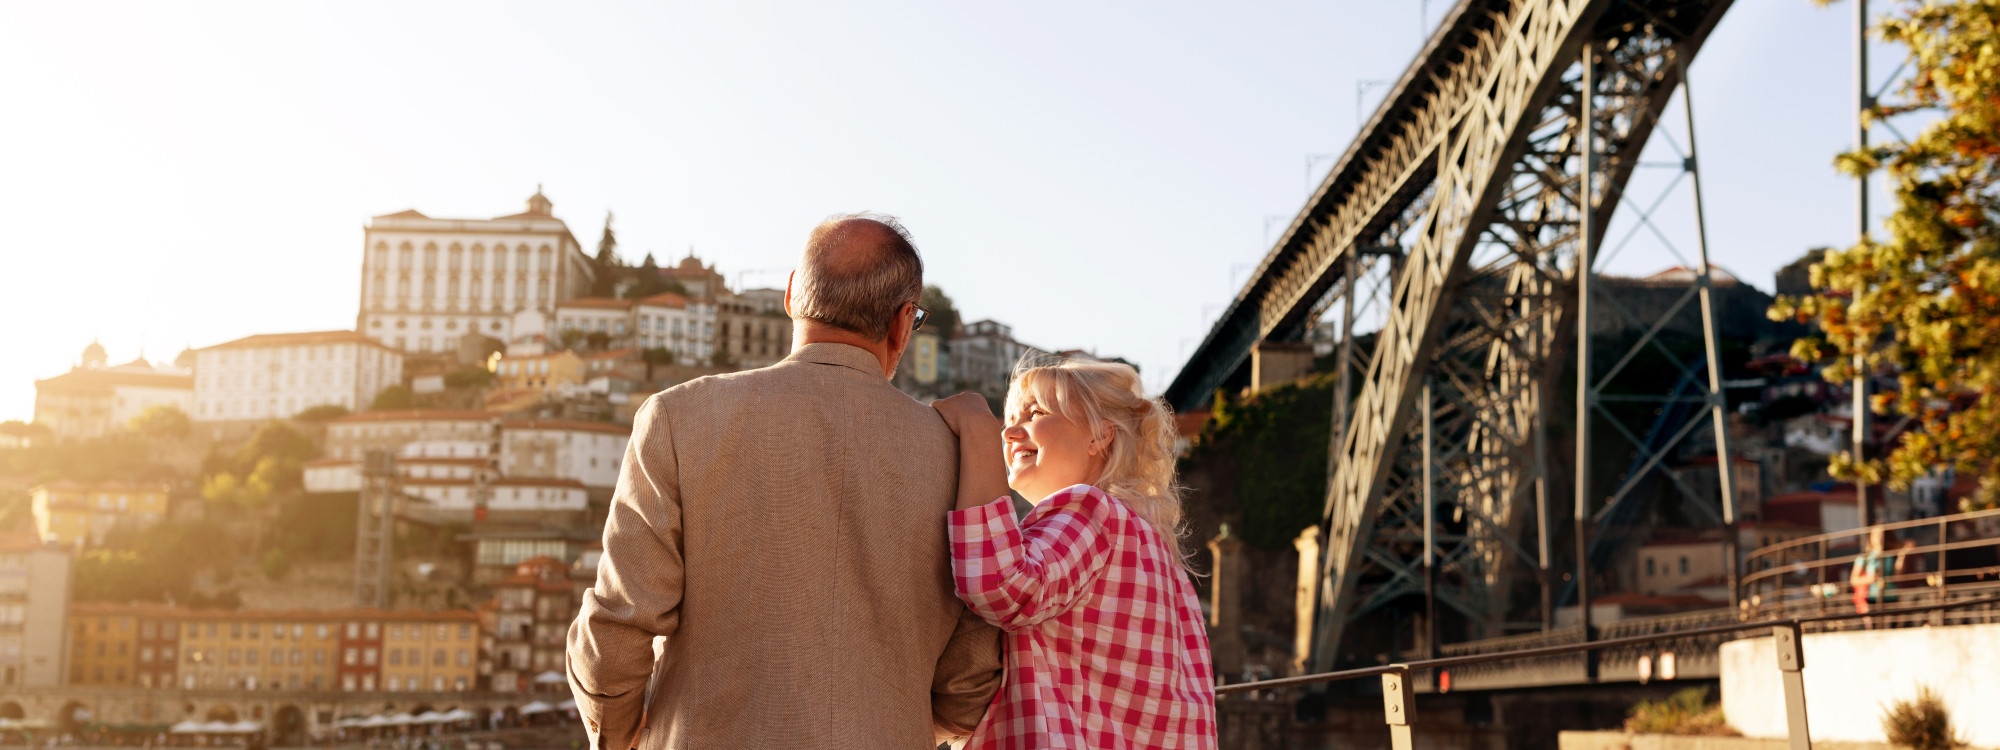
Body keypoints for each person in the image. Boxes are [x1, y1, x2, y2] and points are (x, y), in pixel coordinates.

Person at [566, 212, 1004, 749]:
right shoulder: (962, 459)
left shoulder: (678, 418)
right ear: (903, 321)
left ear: (793, 295)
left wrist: (616, 736)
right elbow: (969, 684)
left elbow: (619, 623)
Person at [932, 356, 1218, 749]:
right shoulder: (1158, 555)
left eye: (1035, 413)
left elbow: (1002, 586)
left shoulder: (1091, 511)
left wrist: (977, 432)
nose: (1010, 431)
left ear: (1099, 436)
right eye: (1007, 419)